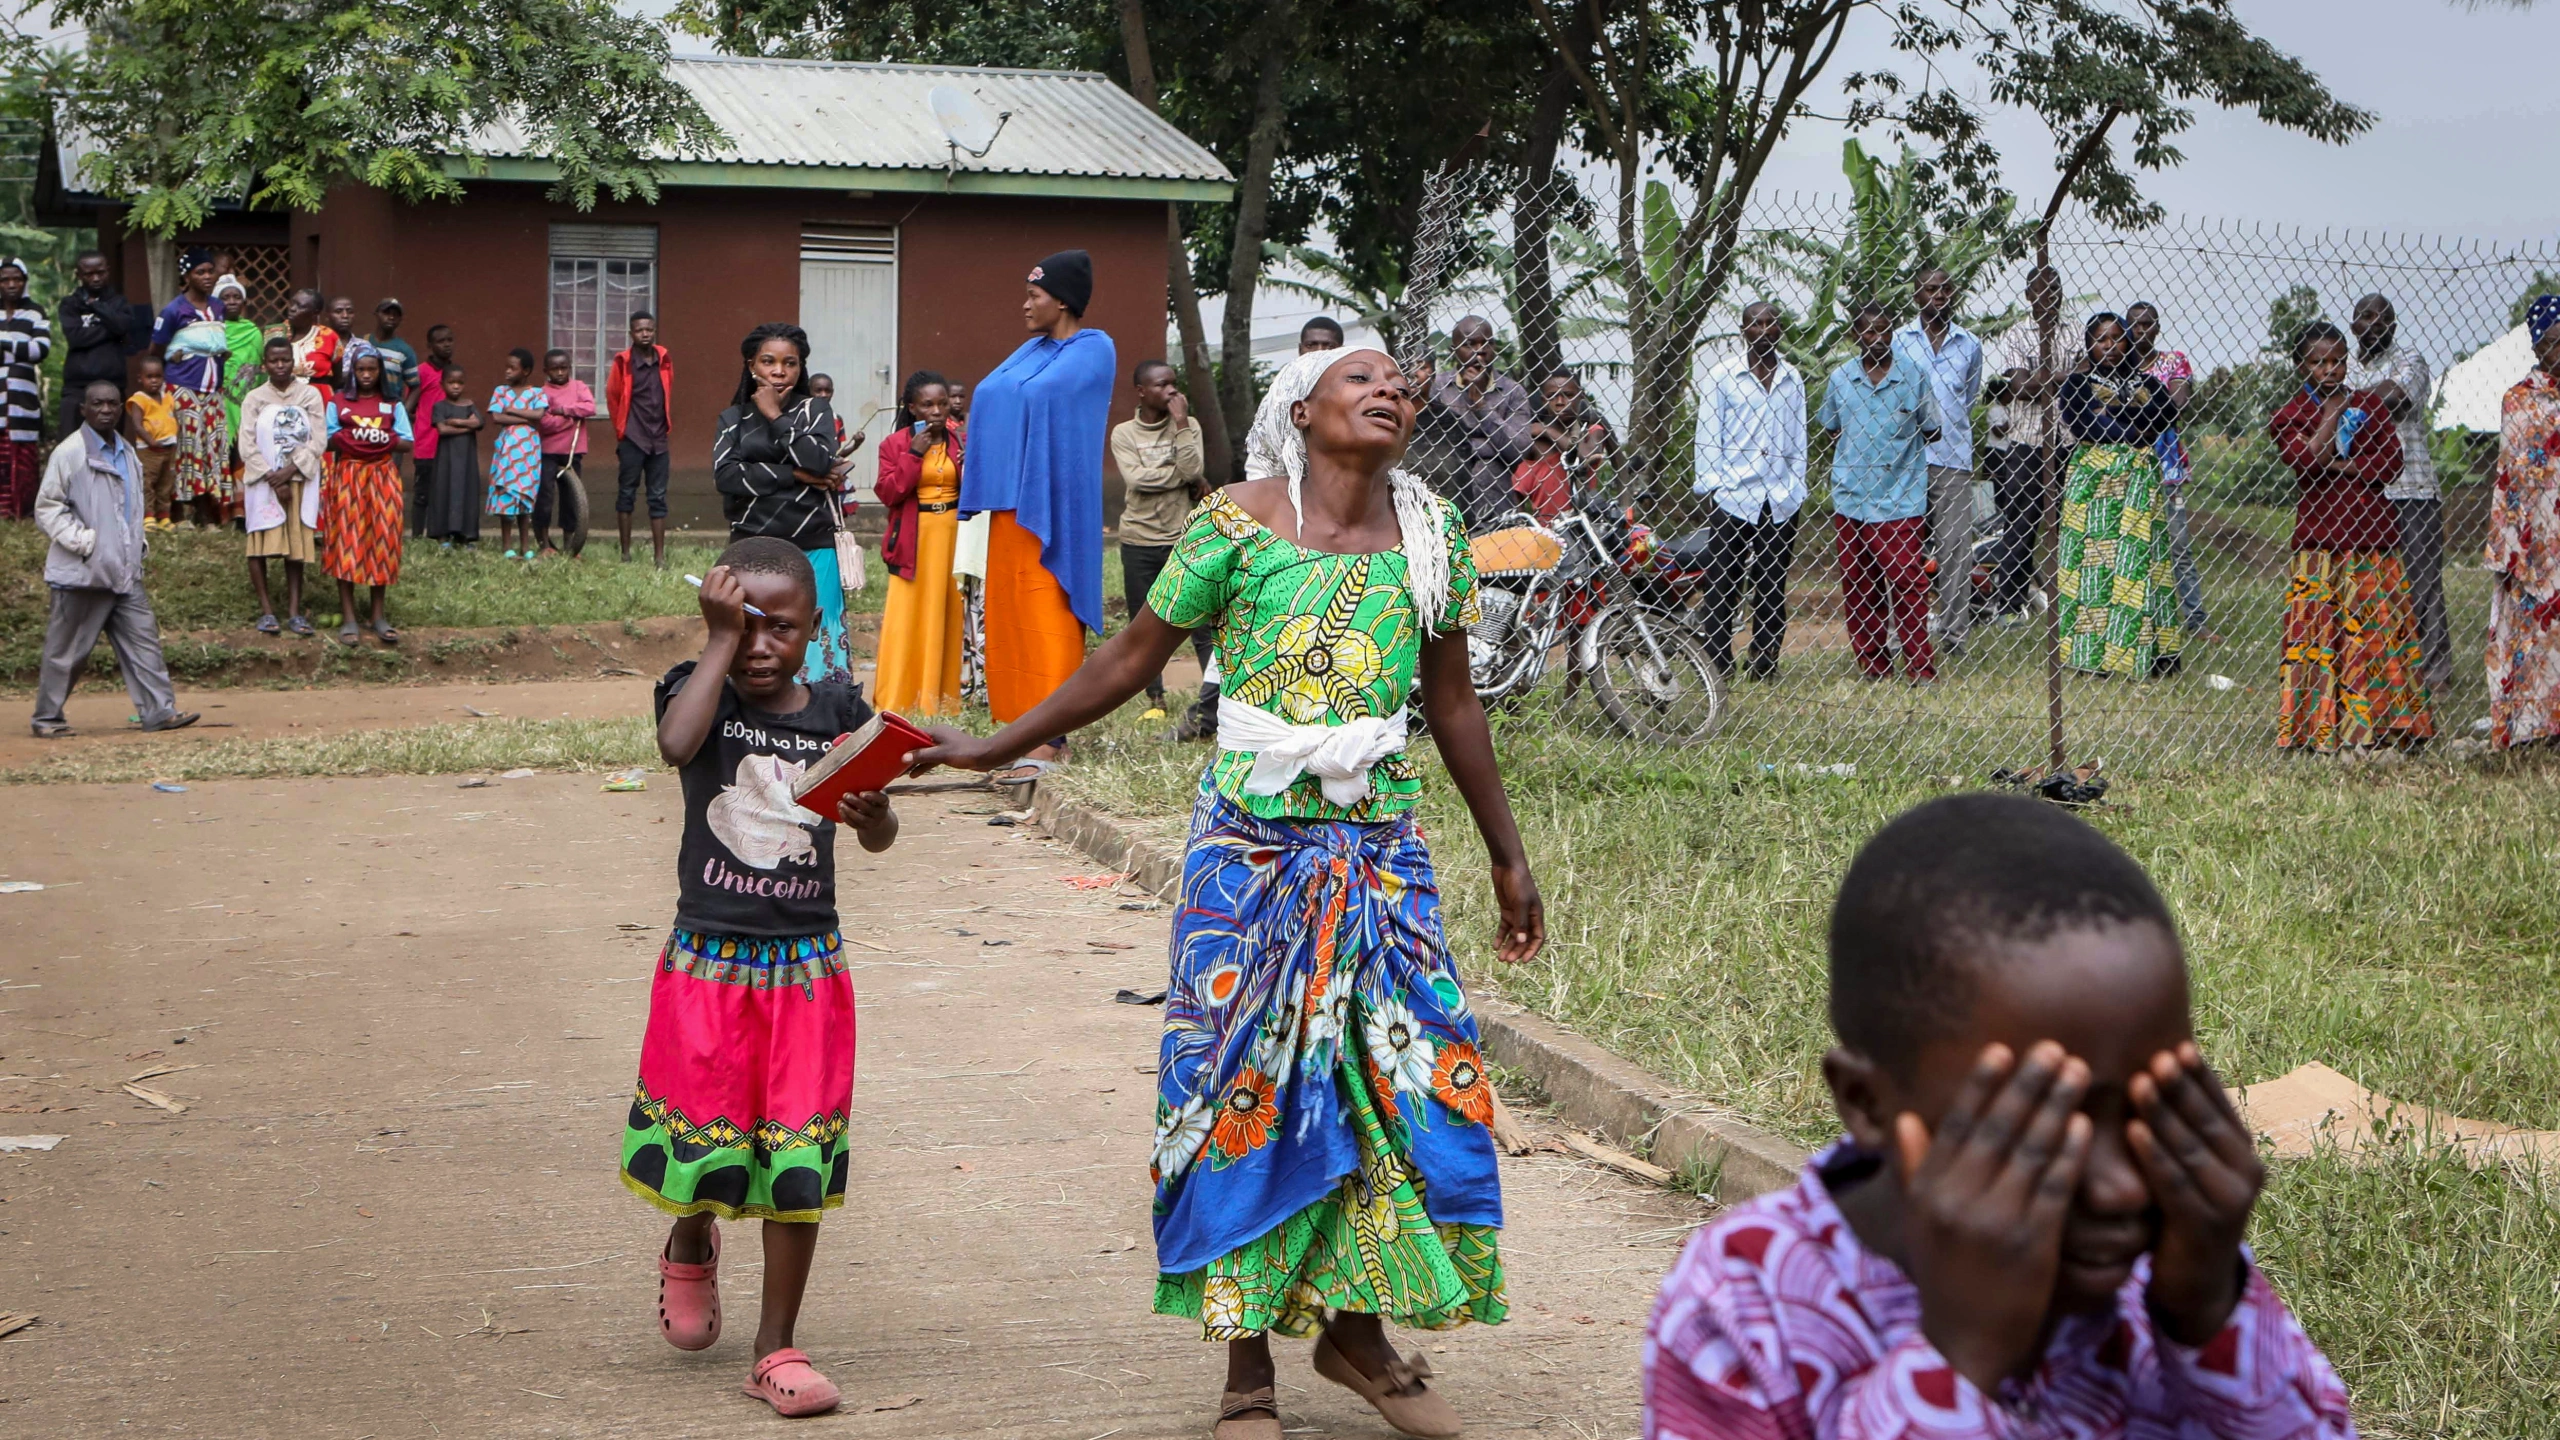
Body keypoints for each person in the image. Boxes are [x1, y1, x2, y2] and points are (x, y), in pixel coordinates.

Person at [908, 345, 1545, 1440]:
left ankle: (1355, 1334)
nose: (1390, 392)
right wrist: (994, 745)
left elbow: (1452, 702)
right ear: (1301, 412)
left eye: (1401, 384)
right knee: (1242, 1084)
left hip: (1378, 848)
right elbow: (1131, 657)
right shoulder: (1235, 523)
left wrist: (1507, 854)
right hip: (1249, 850)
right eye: (1361, 379)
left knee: (1399, 1079)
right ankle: (1246, 1362)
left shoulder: (1434, 535)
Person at [1642, 793, 2353, 1440]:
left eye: (2151, 1112)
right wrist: (1964, 1350)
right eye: (2042, 1129)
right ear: (1867, 1102)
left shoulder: (2167, 1277)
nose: (2120, 1188)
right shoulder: (1744, 1308)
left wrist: (2206, 1310)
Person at [624, 539, 900, 1420]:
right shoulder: (694, 691)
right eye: (739, 625)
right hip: (709, 967)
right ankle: (692, 1235)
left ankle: (774, 1347)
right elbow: (676, 745)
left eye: (778, 627)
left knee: (797, 1153)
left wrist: (875, 815)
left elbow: (879, 834)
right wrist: (714, 642)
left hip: (807, 971)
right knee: (706, 1138)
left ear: (814, 627)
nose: (757, 645)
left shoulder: (840, 712)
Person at [959, 249, 1117, 770]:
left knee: (1047, 611)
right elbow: (989, 392)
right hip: (1011, 506)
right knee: (1010, 615)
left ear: (1063, 300)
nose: (1025, 305)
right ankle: (1016, 727)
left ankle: (1050, 737)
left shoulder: (1095, 349)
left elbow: (1044, 398)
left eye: (1034, 295)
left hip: (1056, 505)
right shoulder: (1030, 350)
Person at [2270, 320, 2433, 754]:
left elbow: (2390, 464)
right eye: (2318, 362)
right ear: (2301, 367)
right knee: (2321, 635)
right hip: (2320, 544)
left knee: (2378, 632)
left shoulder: (2372, 406)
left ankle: (2385, 723)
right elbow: (2307, 462)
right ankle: (2318, 726)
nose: (2330, 370)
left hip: (2370, 538)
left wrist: (2340, 466)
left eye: (2338, 361)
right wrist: (2333, 415)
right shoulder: (2289, 415)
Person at [30, 380, 200, 737]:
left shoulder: (127, 453)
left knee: (144, 643)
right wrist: (83, 542)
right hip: (83, 573)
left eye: (111, 404)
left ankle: (159, 712)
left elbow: (129, 508)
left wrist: (136, 546)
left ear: (121, 409)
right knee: (68, 653)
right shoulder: (70, 452)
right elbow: (47, 508)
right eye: (97, 404)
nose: (105, 410)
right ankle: (47, 719)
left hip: (124, 571)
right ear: (84, 410)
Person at [713, 322, 851, 686]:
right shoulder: (733, 419)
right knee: (754, 639)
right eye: (768, 361)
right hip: (752, 550)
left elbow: (819, 460)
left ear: (800, 367)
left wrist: (775, 416)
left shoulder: (815, 410)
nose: (779, 371)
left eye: (790, 363)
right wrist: (795, 475)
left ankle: (824, 713)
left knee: (815, 643)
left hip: (813, 547)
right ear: (751, 365)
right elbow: (727, 476)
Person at [1815, 301, 1944, 684]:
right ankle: (1874, 665)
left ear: (1892, 332)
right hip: (1852, 497)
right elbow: (1831, 427)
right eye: (1868, 331)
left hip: (1900, 498)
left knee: (1908, 584)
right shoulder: (1841, 378)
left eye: (1884, 330)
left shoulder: (1913, 375)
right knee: (1860, 586)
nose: (1877, 338)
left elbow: (1933, 428)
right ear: (1856, 335)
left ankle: (1920, 668)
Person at [2055, 314, 2183, 679]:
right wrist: (2133, 423)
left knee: (2142, 561)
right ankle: (2094, 656)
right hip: (2094, 482)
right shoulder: (2077, 383)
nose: (2109, 347)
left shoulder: (2146, 381)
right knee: (2094, 564)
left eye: (2117, 338)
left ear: (2128, 341)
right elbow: (2083, 423)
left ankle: (2148, 652)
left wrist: (2111, 411)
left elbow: (2166, 415)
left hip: (2139, 480)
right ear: (2089, 344)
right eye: (2100, 339)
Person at [1693, 301, 1807, 680]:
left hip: (1779, 497)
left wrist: (1796, 486)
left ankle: (1764, 662)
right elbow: (1708, 435)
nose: (1763, 330)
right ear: (1744, 331)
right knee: (1723, 582)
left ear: (1779, 330)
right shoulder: (1723, 376)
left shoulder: (1792, 378)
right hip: (1734, 496)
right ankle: (1718, 663)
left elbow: (1799, 437)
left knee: (1771, 583)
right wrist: (1713, 487)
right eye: (1755, 324)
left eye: (1770, 323)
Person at [2348, 293, 2448, 688]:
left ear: (2393, 325)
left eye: (2383, 318)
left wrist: (2348, 402)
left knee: (2422, 583)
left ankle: (2434, 672)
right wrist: (2361, 399)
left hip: (2411, 488)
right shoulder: (2345, 364)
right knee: (2368, 583)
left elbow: (2397, 397)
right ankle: (2383, 668)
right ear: (2353, 325)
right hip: (2361, 489)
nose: (2374, 324)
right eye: (2365, 317)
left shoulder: (2410, 360)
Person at [1111, 359, 1212, 718]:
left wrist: (1181, 426)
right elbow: (1137, 480)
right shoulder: (1124, 433)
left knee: (1202, 622)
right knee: (1145, 625)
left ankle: (1212, 700)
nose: (1171, 391)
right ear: (1141, 392)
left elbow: (1194, 468)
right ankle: (1156, 700)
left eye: (1173, 383)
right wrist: (1182, 476)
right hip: (1139, 540)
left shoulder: (1189, 425)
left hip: (1183, 539)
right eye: (1161, 385)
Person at [1896, 268, 1987, 655]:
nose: (1939, 295)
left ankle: (1953, 636)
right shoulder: (1898, 340)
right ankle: (1900, 635)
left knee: (1955, 550)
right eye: (1930, 289)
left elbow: (1967, 397)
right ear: (1917, 295)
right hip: (1904, 459)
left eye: (1946, 288)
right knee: (1901, 550)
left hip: (1951, 457)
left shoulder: (1970, 344)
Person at [2485, 296, 2560, 751]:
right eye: (2553, 343)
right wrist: (2511, 548)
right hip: (2537, 540)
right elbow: (2511, 478)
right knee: (2533, 630)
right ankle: (2534, 725)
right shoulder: (2520, 400)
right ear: (2537, 348)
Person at [872, 370, 968, 717]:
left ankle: (942, 701)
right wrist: (913, 455)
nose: (937, 411)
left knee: (948, 617)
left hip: (953, 538)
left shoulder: (961, 441)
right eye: (927, 405)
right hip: (914, 541)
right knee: (908, 619)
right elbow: (889, 493)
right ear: (912, 408)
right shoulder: (895, 444)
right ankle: (898, 701)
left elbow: (977, 492)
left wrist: (970, 468)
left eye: (942, 403)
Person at [2125, 302, 2213, 645]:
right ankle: (2135, 619)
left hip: (2167, 468)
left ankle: (2195, 619)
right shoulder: (2117, 366)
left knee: (2178, 543)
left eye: (2147, 324)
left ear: (2157, 328)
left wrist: (2134, 409)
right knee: (2129, 544)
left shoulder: (2173, 361)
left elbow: (2176, 404)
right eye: (2134, 324)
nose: (2140, 330)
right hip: (2126, 465)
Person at [1983, 266, 2063, 624]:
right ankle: (2010, 605)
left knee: (2070, 523)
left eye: (2055, 288)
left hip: (2069, 438)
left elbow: (2085, 378)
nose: (2049, 295)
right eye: (2040, 289)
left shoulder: (2075, 331)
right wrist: (2064, 377)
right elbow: (2021, 388)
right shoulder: (2017, 334)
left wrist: (2041, 380)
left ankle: (2071, 601)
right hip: (2027, 441)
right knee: (2021, 524)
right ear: (2029, 295)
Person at [321, 350, 413, 646]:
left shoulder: (392, 404)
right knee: (347, 542)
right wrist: (354, 439)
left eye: (371, 369)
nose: (366, 375)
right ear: (353, 371)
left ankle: (377, 615)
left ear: (380, 371)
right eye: (360, 369)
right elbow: (328, 438)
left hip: (383, 476)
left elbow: (406, 442)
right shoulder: (338, 402)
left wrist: (380, 439)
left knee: (382, 541)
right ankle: (349, 617)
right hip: (349, 475)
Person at [236, 337, 326, 636]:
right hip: (264, 483)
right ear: (264, 365)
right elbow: (247, 444)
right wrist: (272, 477)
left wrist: (289, 471)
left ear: (293, 361)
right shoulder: (255, 398)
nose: (280, 365)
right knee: (258, 544)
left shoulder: (309, 395)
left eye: (285, 360)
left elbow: (318, 440)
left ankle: (294, 613)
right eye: (273, 361)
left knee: (295, 547)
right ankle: (266, 612)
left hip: (298, 480)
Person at [1415, 315, 1535, 528]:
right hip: (1442, 504)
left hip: (1495, 506)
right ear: (1454, 350)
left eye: (1486, 343)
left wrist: (1480, 404)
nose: (1479, 351)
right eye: (1469, 344)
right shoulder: (1437, 388)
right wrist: (1490, 447)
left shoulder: (1512, 392)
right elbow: (1428, 444)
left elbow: (1518, 450)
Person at [150, 250, 235, 527]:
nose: (207, 277)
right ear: (187, 277)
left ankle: (205, 512)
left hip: (213, 391)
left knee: (212, 449)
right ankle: (178, 512)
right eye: (200, 272)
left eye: (210, 271)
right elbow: (155, 351)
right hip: (183, 388)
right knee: (186, 449)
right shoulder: (174, 311)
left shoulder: (218, 308)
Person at [608, 312, 674, 566]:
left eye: (649, 329)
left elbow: (666, 391)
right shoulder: (623, 363)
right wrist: (622, 431)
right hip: (633, 438)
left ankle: (659, 557)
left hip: (658, 438)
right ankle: (625, 554)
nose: (645, 334)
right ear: (631, 334)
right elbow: (613, 397)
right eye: (639, 330)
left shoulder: (663, 359)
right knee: (626, 494)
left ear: (654, 330)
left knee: (658, 497)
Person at [1514, 372, 1615, 522]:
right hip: (1547, 530)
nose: (1560, 402)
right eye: (1552, 396)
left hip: (1586, 524)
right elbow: (1515, 491)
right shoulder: (1536, 445)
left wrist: (1547, 431)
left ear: (1580, 396)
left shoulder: (1592, 432)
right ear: (1544, 401)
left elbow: (1585, 457)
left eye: (1568, 395)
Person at [56, 250, 133, 439]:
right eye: (89, 274)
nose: (96, 278)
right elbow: (76, 338)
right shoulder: (70, 304)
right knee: (70, 444)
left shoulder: (119, 302)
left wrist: (96, 306)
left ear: (108, 271)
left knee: (110, 444)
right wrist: (111, 330)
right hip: (77, 387)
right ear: (79, 275)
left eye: (100, 272)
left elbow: (123, 327)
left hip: (111, 385)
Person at [0, 258, 55, 519]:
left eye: (17, 279)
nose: (11, 284)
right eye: (5, 280)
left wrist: (3, 342)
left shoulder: (36, 312)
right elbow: (28, 349)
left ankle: (23, 510)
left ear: (24, 282)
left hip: (23, 397)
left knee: (22, 453)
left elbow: (40, 350)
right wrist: (19, 347)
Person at [486, 348, 550, 558]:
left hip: (528, 452)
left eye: (512, 368)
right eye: (506, 367)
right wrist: (526, 418)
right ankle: (507, 546)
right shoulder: (500, 391)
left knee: (525, 497)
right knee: (506, 496)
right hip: (507, 452)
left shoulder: (537, 392)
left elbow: (538, 415)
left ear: (526, 371)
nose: (507, 371)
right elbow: (497, 417)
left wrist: (512, 410)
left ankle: (525, 546)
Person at [534, 348, 596, 558]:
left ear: (570, 367)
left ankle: (570, 544)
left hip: (572, 451)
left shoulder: (579, 387)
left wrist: (563, 410)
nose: (560, 372)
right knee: (545, 496)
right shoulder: (541, 393)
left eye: (564, 368)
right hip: (547, 452)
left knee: (570, 498)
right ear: (546, 371)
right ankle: (544, 543)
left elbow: (590, 408)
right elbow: (545, 423)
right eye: (555, 369)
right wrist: (571, 419)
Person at [420, 359, 485, 545]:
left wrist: (457, 422)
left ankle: (465, 536)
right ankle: (442, 535)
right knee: (443, 491)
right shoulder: (440, 406)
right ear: (442, 384)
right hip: (446, 459)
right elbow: (442, 430)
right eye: (451, 382)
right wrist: (468, 426)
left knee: (467, 491)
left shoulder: (469, 404)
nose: (456, 386)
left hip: (467, 460)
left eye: (460, 383)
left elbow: (480, 422)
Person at [407, 324, 456, 536]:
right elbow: (408, 407)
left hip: (450, 443)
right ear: (430, 345)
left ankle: (442, 534)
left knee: (446, 493)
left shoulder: (454, 372)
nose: (446, 345)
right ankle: (417, 536)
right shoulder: (421, 372)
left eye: (449, 340)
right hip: (427, 445)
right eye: (440, 341)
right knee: (422, 494)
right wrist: (423, 421)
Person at [122, 356, 180, 529]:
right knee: (147, 483)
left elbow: (174, 419)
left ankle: (164, 516)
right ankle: (148, 516)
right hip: (149, 450)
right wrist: (151, 441)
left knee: (166, 484)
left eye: (158, 376)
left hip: (168, 448)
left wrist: (175, 438)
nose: (154, 381)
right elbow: (137, 425)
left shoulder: (168, 398)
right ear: (140, 378)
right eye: (149, 377)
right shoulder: (139, 399)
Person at [278, 289, 340, 410]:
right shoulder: (276, 333)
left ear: (315, 312)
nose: (292, 308)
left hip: (319, 400)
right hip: (283, 397)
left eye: (300, 306)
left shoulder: (328, 336)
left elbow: (338, 376)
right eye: (292, 303)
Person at [367, 299, 417, 404]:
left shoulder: (405, 350)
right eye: (386, 313)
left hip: (390, 407)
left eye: (396, 315)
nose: (391, 317)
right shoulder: (363, 342)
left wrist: (404, 410)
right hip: (362, 406)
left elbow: (415, 387)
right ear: (376, 314)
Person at [324, 296, 359, 393]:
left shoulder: (364, 346)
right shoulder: (317, 345)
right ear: (327, 316)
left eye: (349, 311)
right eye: (338, 311)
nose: (345, 315)